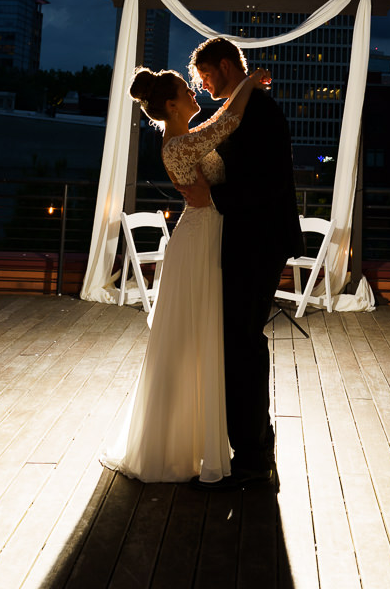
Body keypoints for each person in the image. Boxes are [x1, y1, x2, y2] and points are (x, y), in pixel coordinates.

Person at [100, 63, 267, 484]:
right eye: (186, 91)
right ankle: (174, 444)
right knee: (192, 338)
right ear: (172, 106)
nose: (196, 93)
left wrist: (241, 88)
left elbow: (215, 122)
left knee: (199, 336)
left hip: (206, 233)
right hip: (199, 240)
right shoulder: (178, 146)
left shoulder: (183, 139)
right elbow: (227, 122)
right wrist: (248, 83)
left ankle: (193, 438)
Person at [179, 36, 304, 491]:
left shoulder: (259, 111)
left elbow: (265, 182)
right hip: (248, 238)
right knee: (239, 340)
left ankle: (253, 456)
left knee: (241, 341)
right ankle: (253, 449)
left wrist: (213, 195)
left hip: (258, 239)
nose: (203, 83)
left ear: (227, 65)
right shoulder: (241, 107)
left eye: (206, 74)